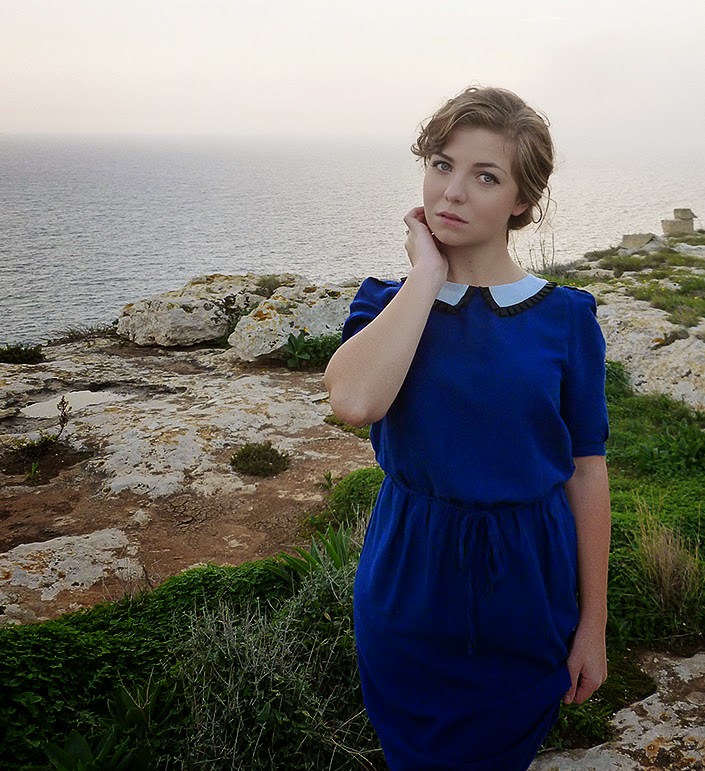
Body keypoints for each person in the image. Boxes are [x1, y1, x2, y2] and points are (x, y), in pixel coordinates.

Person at [324, 85, 611, 771]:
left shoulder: (566, 318)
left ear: (520, 200)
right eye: (442, 165)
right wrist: (427, 274)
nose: (451, 191)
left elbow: (586, 470)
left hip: (528, 581)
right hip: (410, 579)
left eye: (485, 176)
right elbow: (356, 401)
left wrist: (593, 625)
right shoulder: (386, 304)